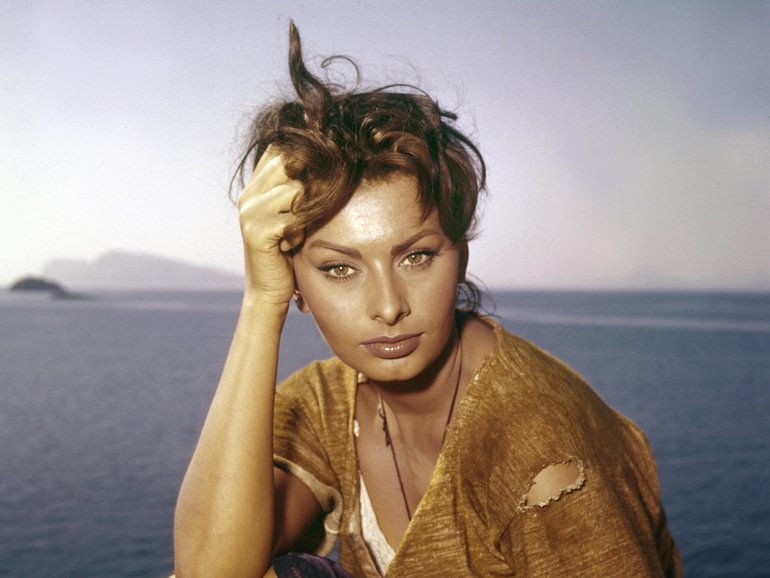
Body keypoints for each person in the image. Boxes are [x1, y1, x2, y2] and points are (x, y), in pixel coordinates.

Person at [173, 22, 681, 578]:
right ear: (296, 282)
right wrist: (259, 303)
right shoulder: (328, 404)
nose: (388, 306)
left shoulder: (544, 456)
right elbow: (208, 571)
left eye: (416, 257)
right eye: (339, 269)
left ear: (459, 254)